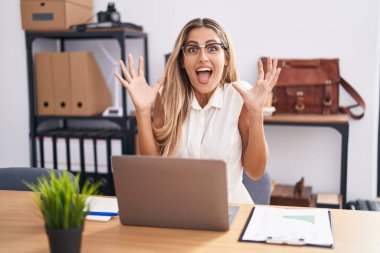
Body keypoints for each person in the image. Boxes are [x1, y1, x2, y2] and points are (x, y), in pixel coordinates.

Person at [115, 18, 281, 204]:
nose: (202, 57)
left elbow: (256, 172)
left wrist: (256, 112)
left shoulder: (239, 96)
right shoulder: (168, 97)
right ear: (182, 61)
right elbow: (153, 164)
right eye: (193, 49)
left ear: (226, 57)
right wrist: (143, 112)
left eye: (212, 48)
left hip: (230, 208)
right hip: (178, 207)